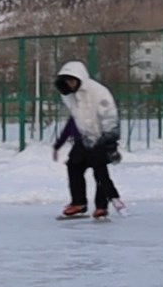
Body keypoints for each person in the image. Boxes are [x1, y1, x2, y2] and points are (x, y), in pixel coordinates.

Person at [50, 60, 122, 220]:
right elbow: (75, 118)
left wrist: (110, 142)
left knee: (100, 172)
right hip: (84, 137)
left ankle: (101, 206)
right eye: (67, 81)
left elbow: (110, 116)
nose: (70, 84)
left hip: (102, 137)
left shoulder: (98, 92)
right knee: (74, 166)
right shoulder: (69, 96)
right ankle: (78, 202)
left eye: (72, 80)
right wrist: (62, 141)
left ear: (80, 78)